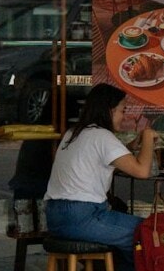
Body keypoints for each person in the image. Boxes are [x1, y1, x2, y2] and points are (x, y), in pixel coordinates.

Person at [44, 83, 156, 271]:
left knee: (129, 235)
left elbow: (106, 158)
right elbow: (142, 171)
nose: (125, 116)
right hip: (83, 216)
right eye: (122, 110)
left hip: (55, 217)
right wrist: (147, 138)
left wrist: (132, 147)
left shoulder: (73, 133)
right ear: (109, 111)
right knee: (145, 233)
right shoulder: (102, 136)